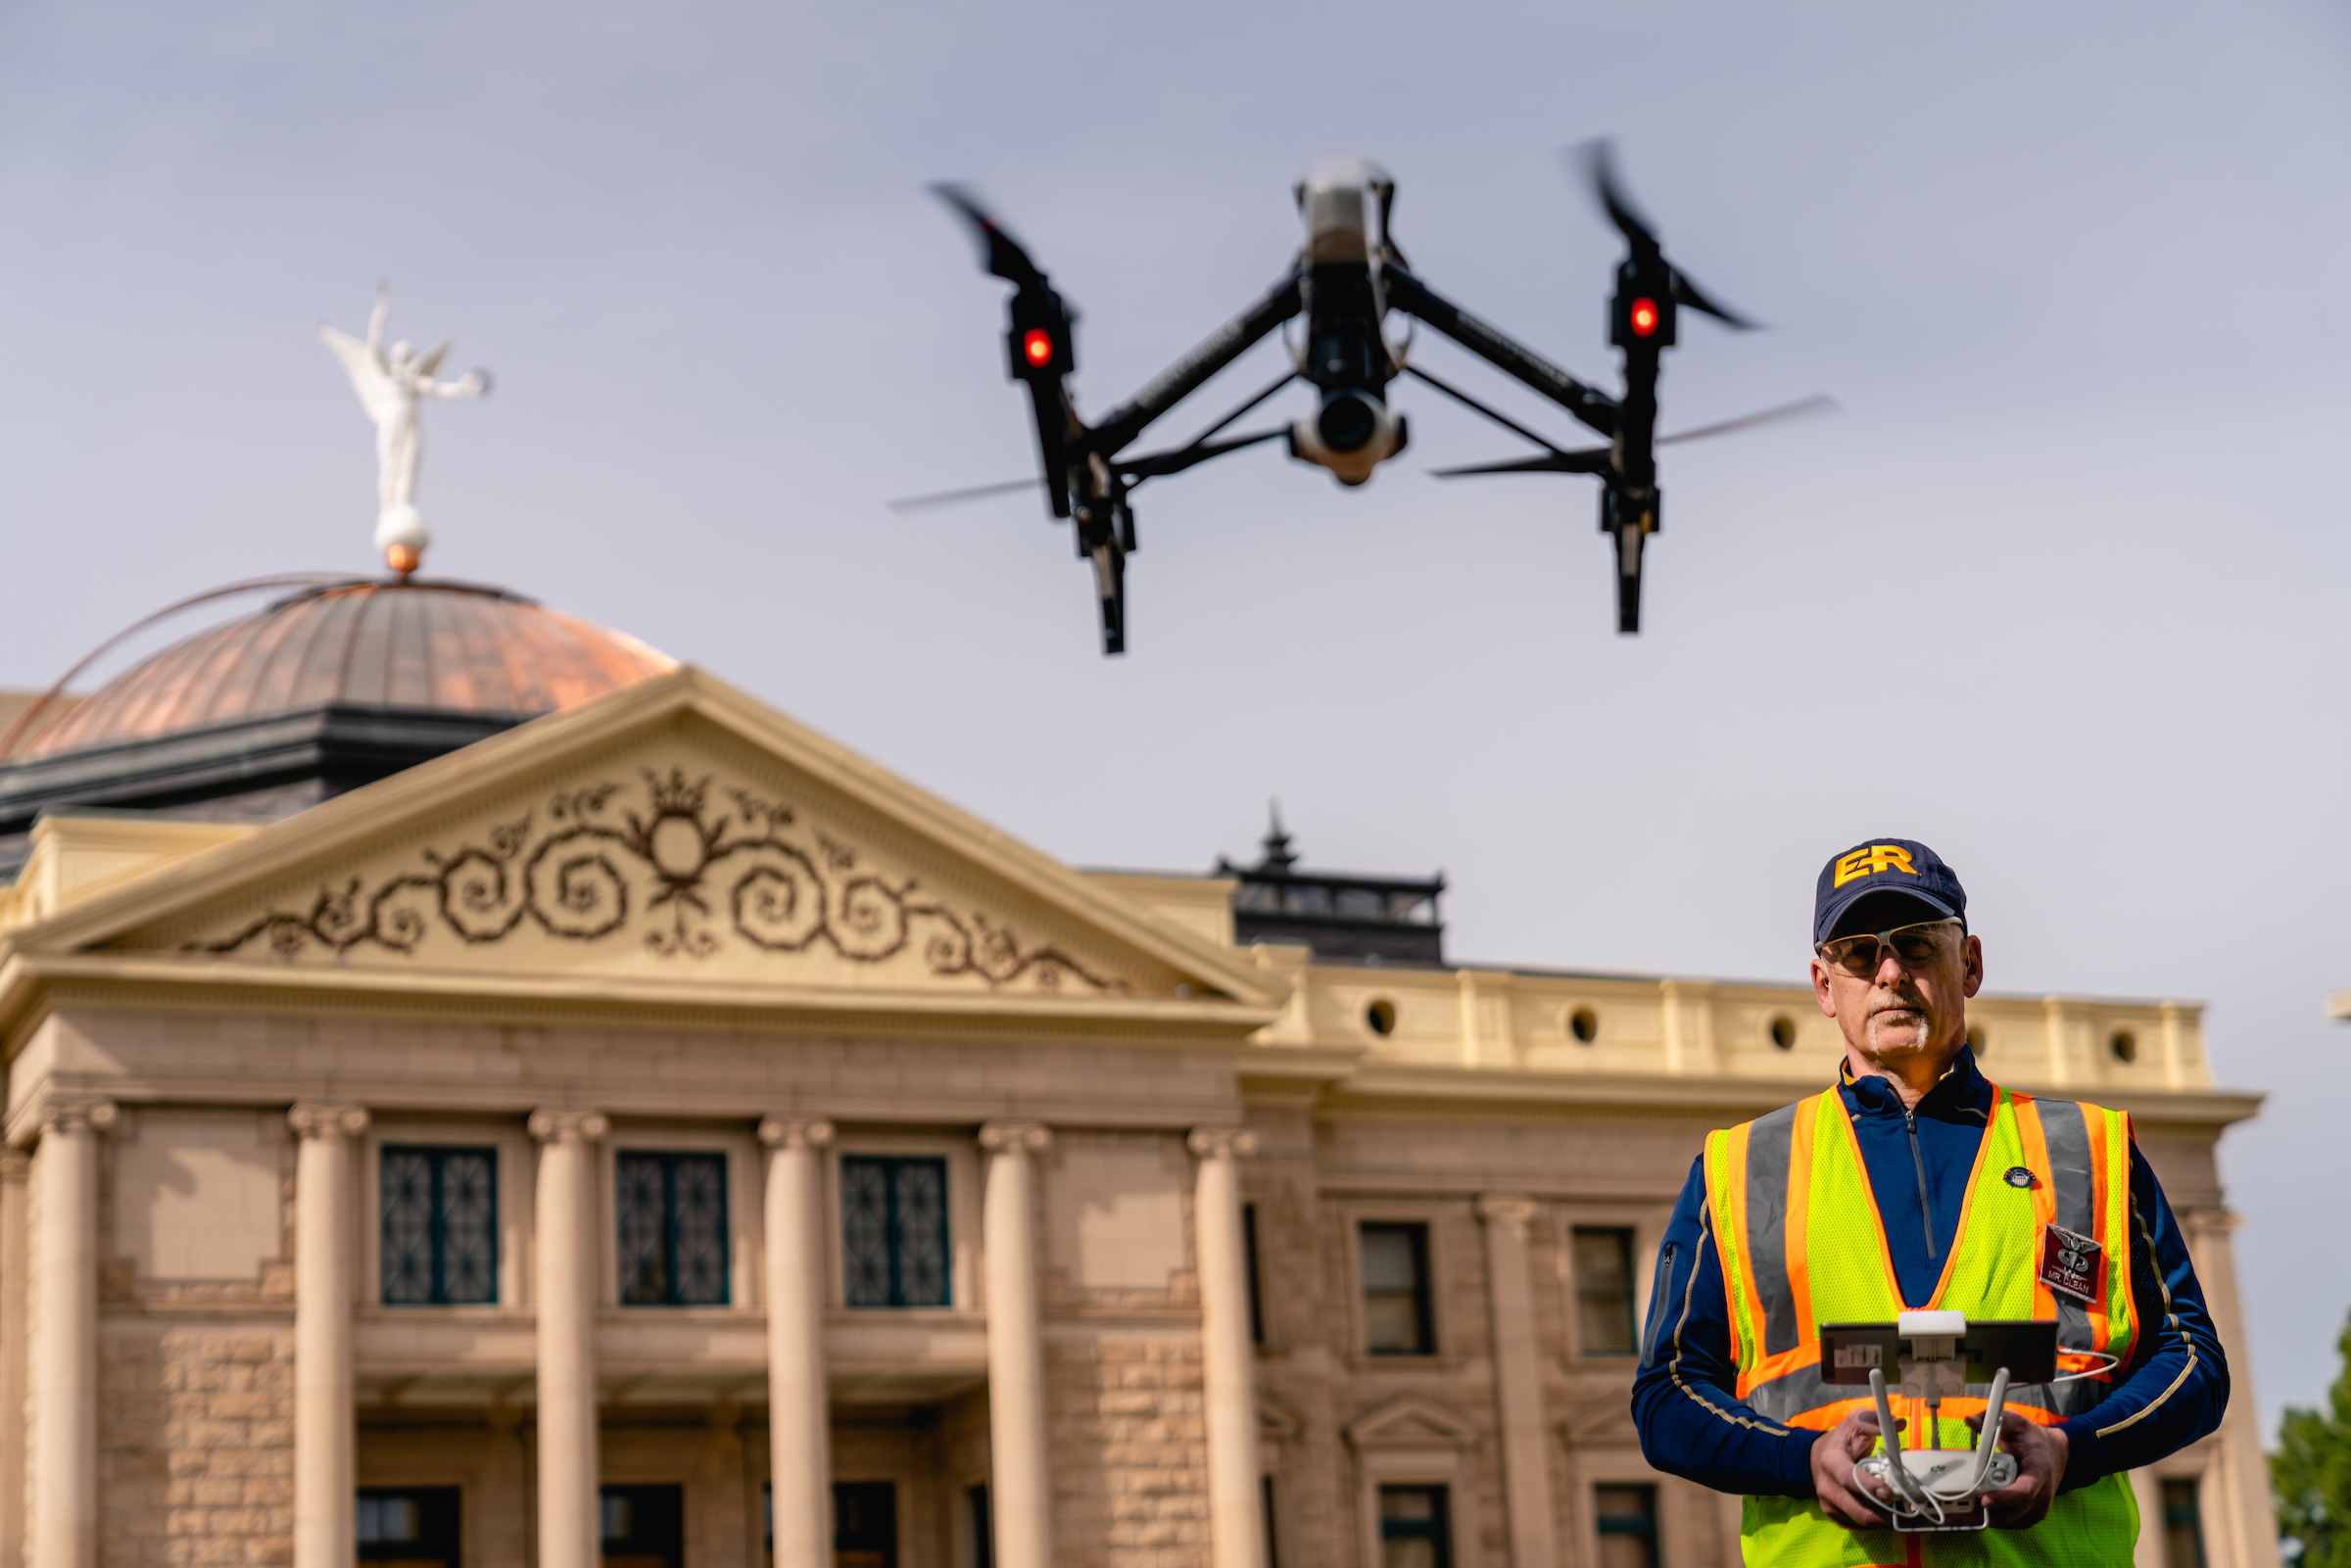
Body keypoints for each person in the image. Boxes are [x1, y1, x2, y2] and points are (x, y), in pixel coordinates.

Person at [1629, 837, 2229, 1565]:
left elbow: (2194, 1362)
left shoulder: (2086, 1149)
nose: (1889, 972)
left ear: (1969, 963)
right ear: (1824, 985)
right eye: (1858, 953)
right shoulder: (1742, 1167)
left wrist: (2073, 1449)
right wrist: (1802, 1459)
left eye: (1915, 944)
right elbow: (1665, 1397)